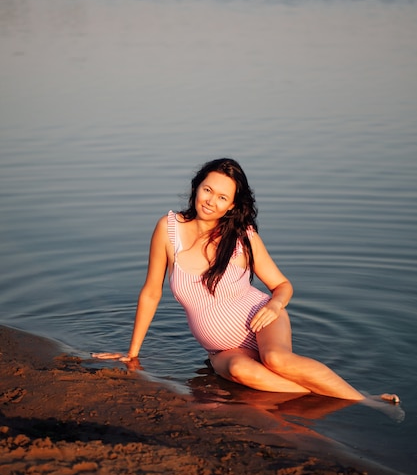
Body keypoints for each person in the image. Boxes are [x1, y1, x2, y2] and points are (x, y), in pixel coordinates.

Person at [94, 158, 399, 403]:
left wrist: (274, 306)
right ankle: (322, 392)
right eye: (207, 190)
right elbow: (150, 293)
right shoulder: (168, 228)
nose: (211, 201)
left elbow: (283, 285)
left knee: (277, 359)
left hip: (262, 319)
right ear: (196, 187)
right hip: (223, 352)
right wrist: (132, 353)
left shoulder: (242, 236)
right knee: (240, 370)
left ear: (231, 206)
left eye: (222, 197)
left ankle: (366, 401)